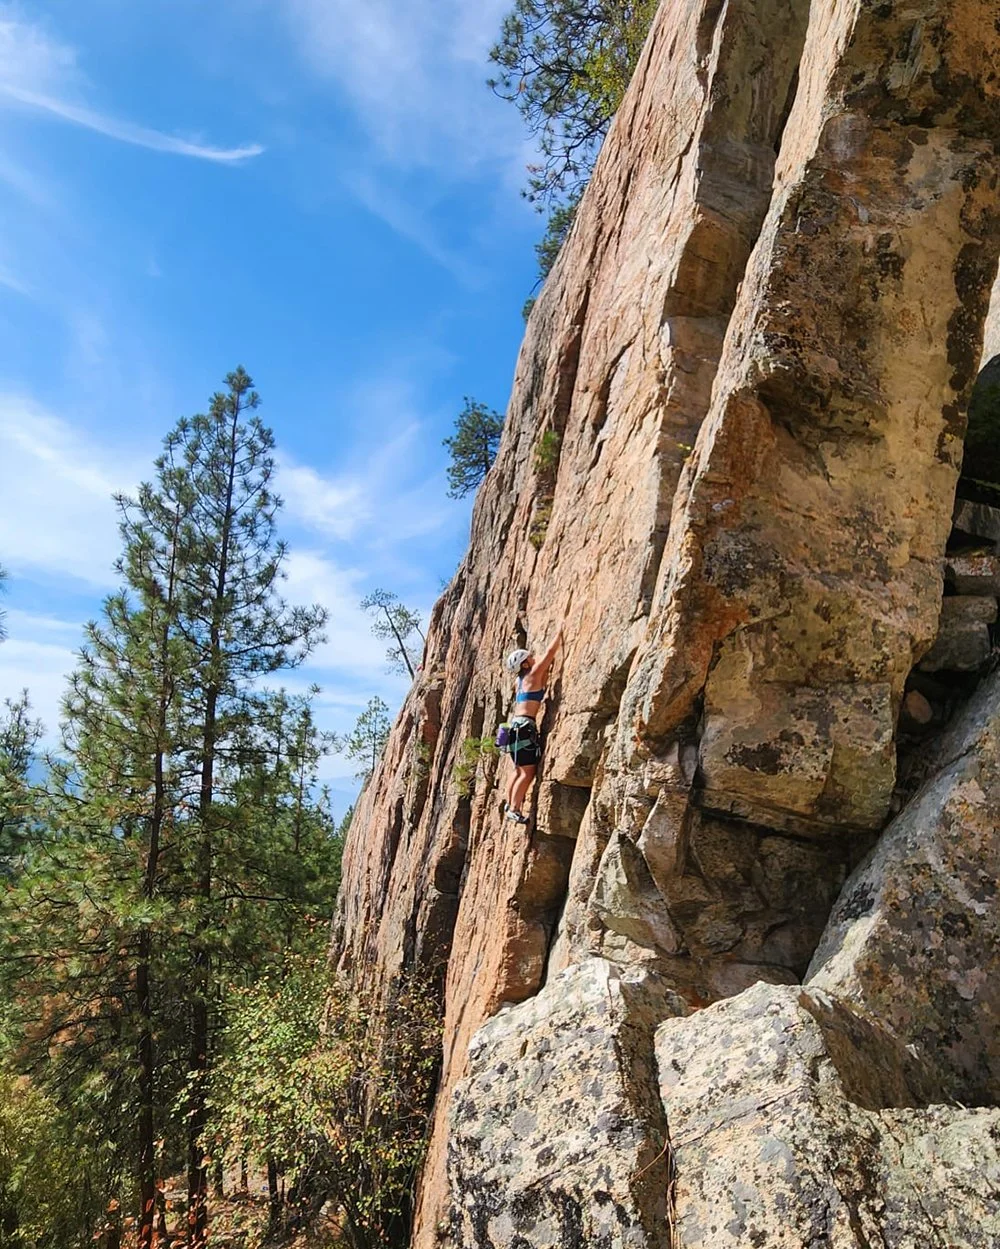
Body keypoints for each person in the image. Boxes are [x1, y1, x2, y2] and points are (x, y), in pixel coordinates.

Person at [503, 627, 563, 825]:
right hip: (524, 728)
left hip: (514, 728)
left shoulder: (520, 681)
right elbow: (550, 654)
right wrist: (560, 630)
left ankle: (509, 803)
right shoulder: (533, 674)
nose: (534, 658)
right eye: (530, 657)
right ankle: (514, 808)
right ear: (525, 663)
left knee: (518, 770)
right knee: (527, 773)